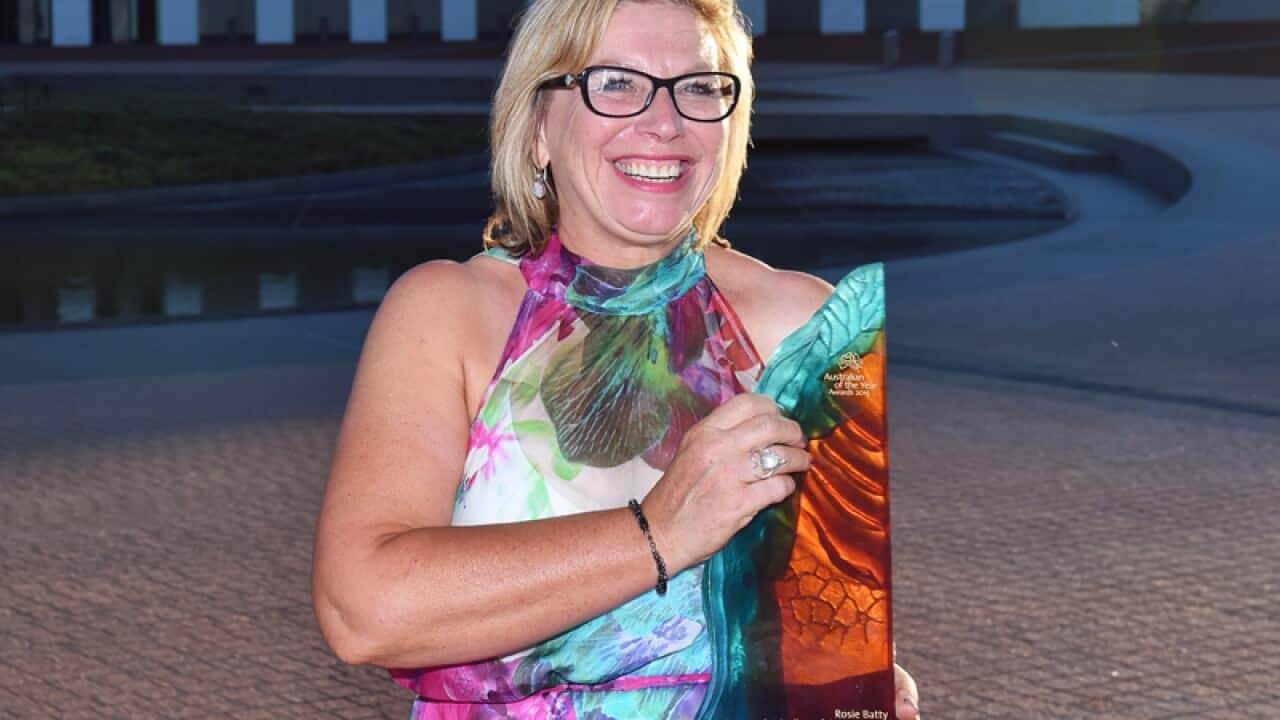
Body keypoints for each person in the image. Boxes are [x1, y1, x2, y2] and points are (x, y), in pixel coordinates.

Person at [312, 0, 921, 717]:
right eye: (616, 83)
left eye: (699, 86)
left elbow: (813, 609)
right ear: (537, 125)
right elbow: (364, 612)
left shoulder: (807, 327)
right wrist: (659, 531)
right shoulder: (448, 314)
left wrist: (857, 683)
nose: (665, 122)